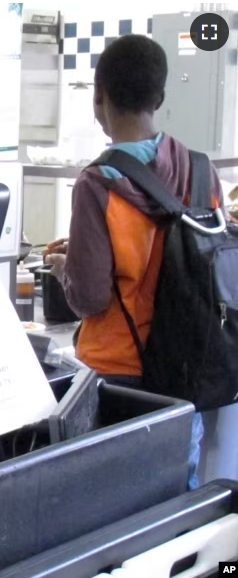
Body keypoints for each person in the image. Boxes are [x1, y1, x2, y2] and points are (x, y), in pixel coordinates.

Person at [42, 35, 228, 489]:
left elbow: (89, 297)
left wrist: (65, 266)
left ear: (98, 96)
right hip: (187, 369)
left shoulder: (98, 183)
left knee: (106, 508)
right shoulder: (202, 170)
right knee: (169, 505)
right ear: (160, 98)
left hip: (118, 373)